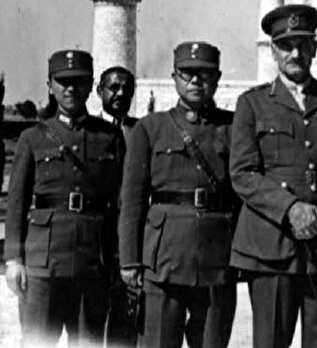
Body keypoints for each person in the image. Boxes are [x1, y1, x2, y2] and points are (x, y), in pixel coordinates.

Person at [230, 4, 317, 348]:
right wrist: (292, 209)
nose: (295, 53)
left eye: (303, 44)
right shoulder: (252, 104)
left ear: (314, 48)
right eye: (286, 45)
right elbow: (243, 173)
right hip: (272, 246)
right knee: (270, 340)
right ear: (274, 50)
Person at [118, 42, 237, 348]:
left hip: (216, 258)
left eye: (205, 74)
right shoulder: (150, 128)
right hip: (163, 259)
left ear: (218, 77)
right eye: (187, 73)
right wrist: (130, 261)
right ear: (174, 77)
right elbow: (132, 200)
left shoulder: (233, 127)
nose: (196, 81)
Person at [4, 50, 123, 346]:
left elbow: (120, 203)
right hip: (44, 262)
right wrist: (14, 259)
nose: (71, 88)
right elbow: (17, 203)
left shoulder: (109, 136)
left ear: (91, 84)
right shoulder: (32, 138)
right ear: (50, 86)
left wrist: (118, 259)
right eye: (63, 81)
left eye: (79, 81)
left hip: (92, 260)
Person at [97, 65, 139, 347]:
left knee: (126, 326)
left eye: (126, 88)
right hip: (95, 242)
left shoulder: (142, 131)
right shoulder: (88, 130)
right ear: (99, 91)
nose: (120, 93)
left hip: (130, 243)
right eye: (113, 87)